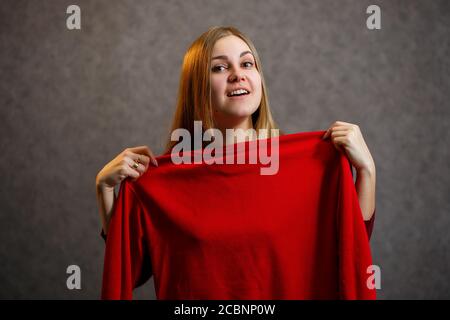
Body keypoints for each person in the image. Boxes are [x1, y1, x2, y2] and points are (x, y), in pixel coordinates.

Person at [95, 26, 376, 241]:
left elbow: (350, 248)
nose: (237, 75)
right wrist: (105, 190)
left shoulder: (305, 167)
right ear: (198, 87)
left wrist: (366, 171)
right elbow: (132, 268)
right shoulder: (168, 181)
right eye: (219, 67)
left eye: (247, 63)